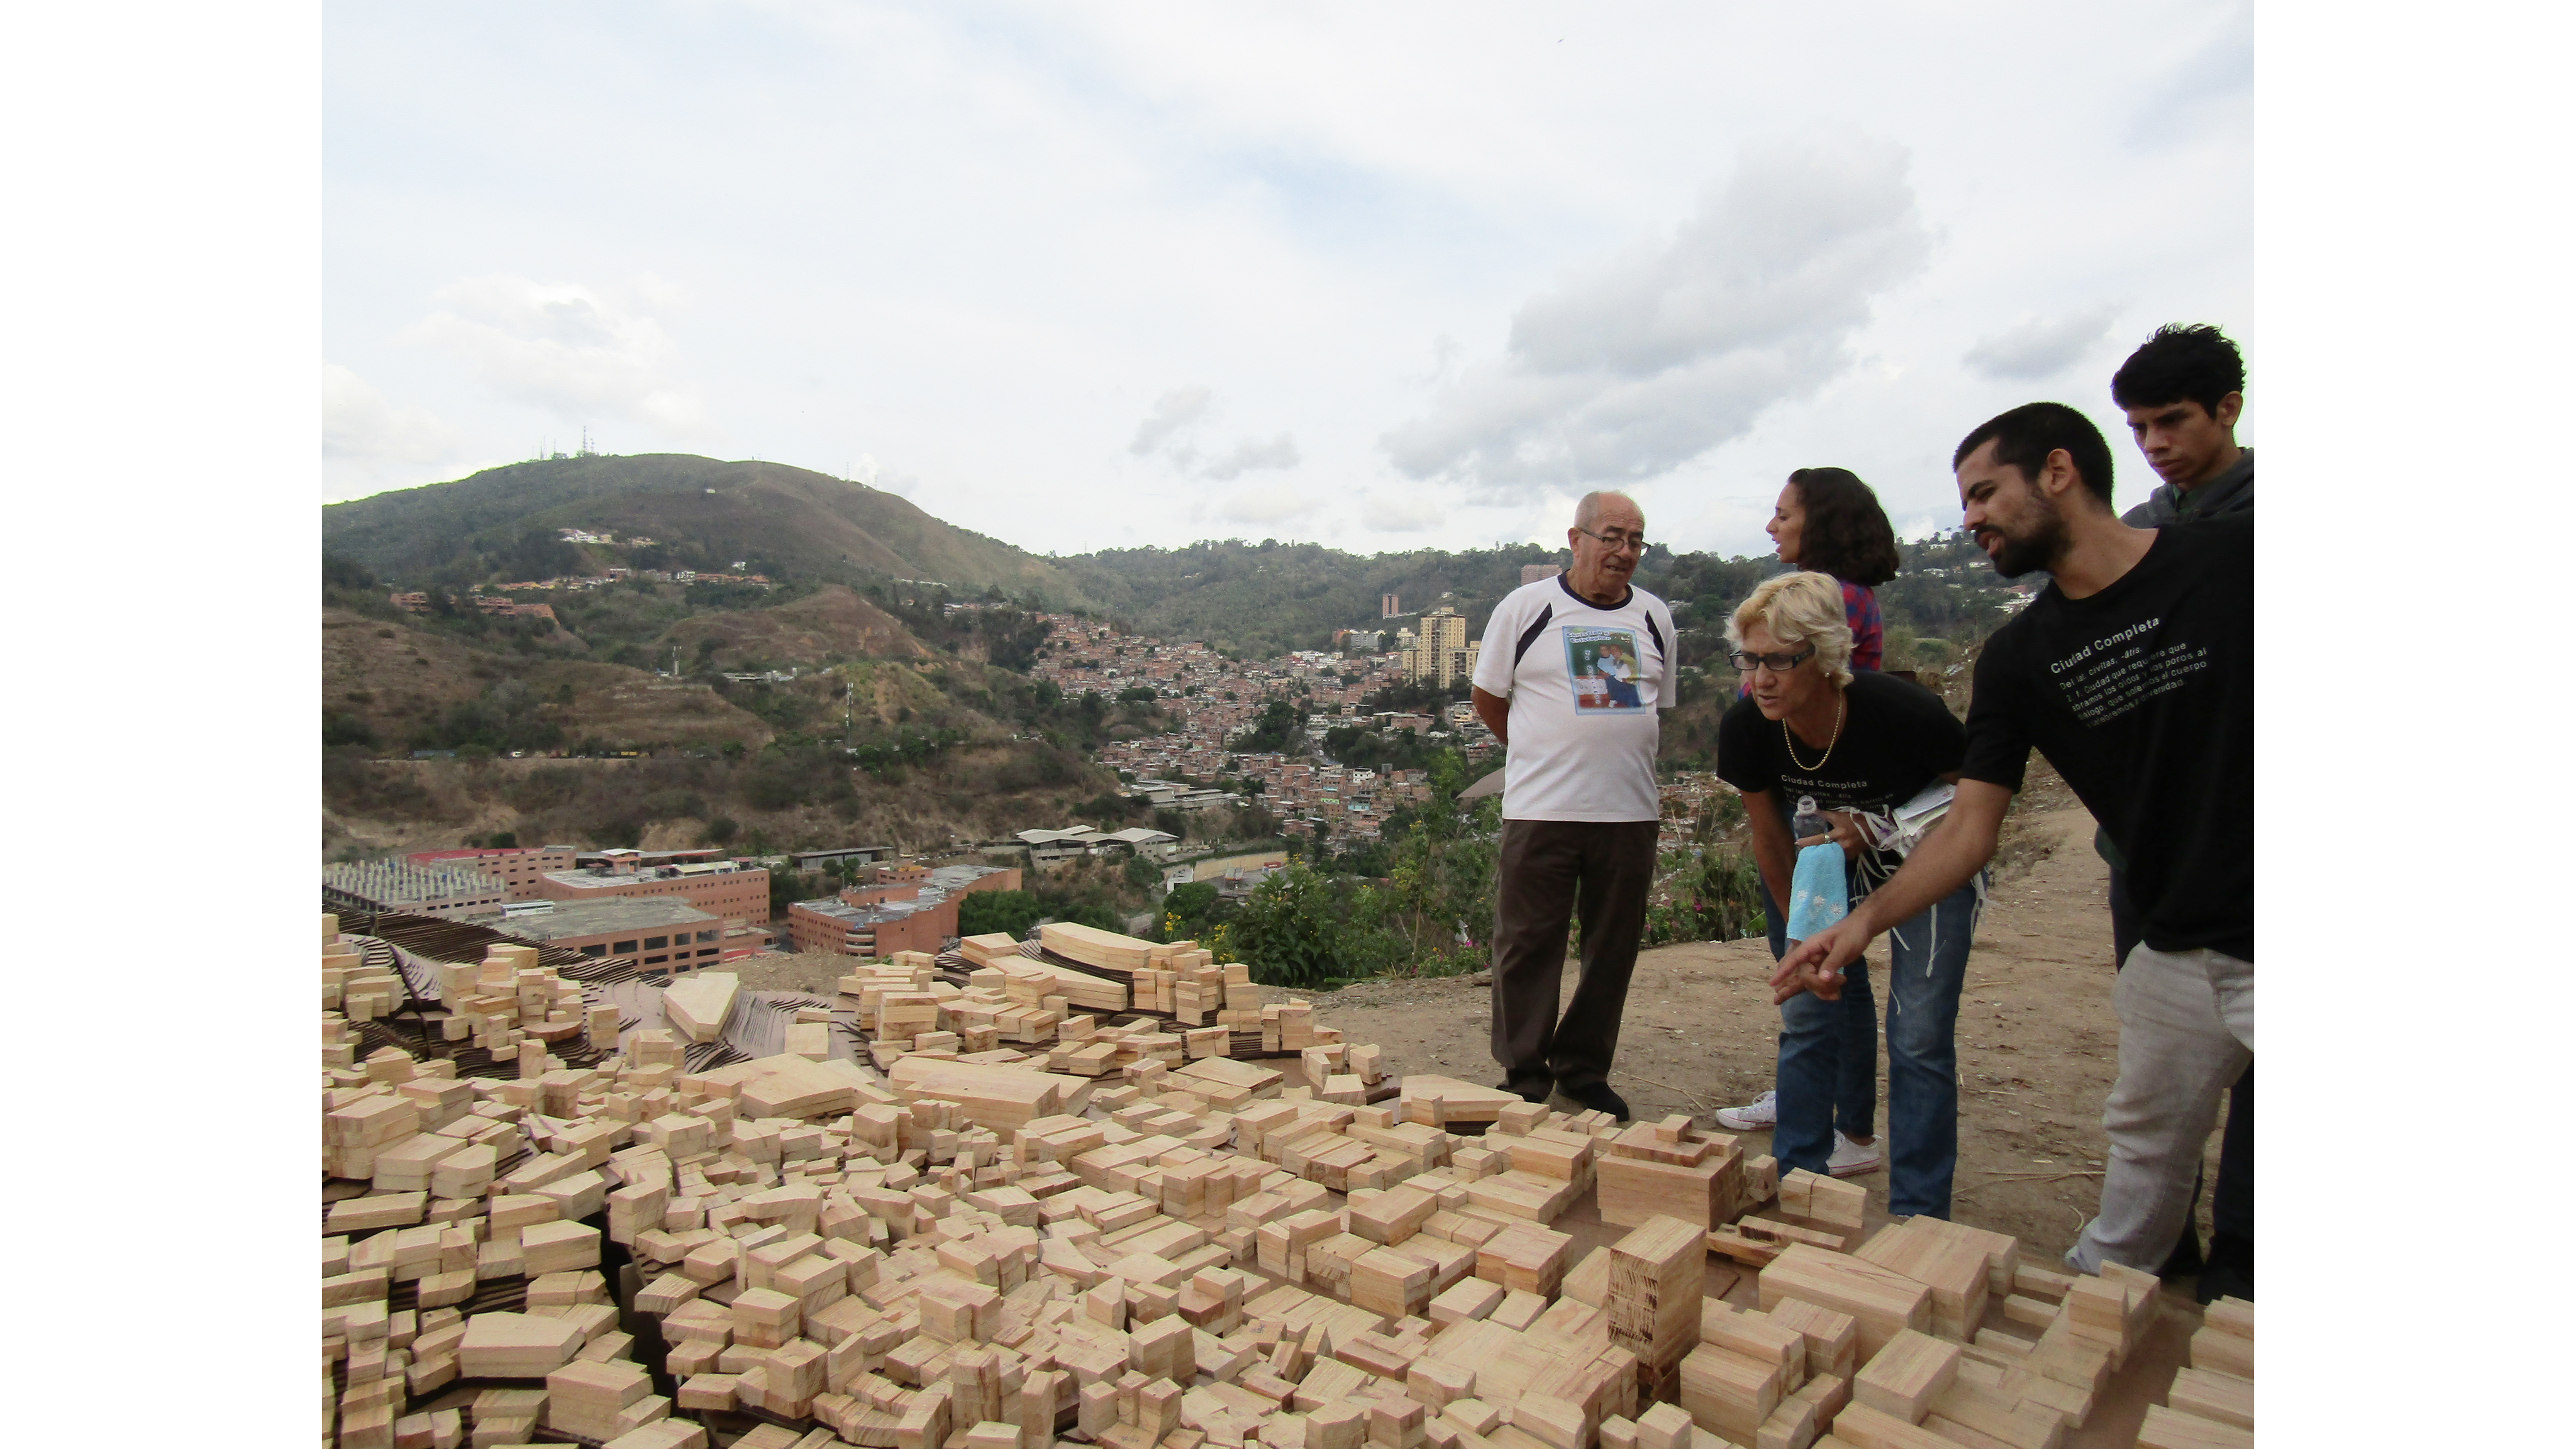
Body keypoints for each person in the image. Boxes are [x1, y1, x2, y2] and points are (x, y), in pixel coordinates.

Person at [1775, 401, 2251, 1279]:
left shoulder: (2235, 560)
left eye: (1986, 492)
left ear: (2059, 474)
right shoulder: (2018, 659)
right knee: (2143, 1145)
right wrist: (1862, 923)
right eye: (1966, 501)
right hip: (2176, 940)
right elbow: (1968, 831)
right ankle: (2111, 1308)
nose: (1971, 519)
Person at [1715, 571, 1980, 1216]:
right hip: (1826, 867)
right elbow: (1770, 837)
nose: (1762, 678)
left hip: (1928, 863)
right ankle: (1798, 1174)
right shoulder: (1749, 726)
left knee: (1917, 1031)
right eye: (1750, 661)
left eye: (1780, 660)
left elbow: (1975, 806)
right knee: (1807, 1013)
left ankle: (1919, 1212)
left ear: (1827, 655)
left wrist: (1880, 824)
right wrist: (1799, 938)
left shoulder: (1902, 713)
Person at [2107, 321, 2255, 1300]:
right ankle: (2170, 1247)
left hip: (2243, 829)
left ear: (2229, 411)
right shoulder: (2149, 523)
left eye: (2171, 422)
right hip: (2147, 838)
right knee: (2165, 1064)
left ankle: (2246, 1254)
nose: (2155, 443)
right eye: (2139, 426)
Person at [1470, 490, 1679, 1121]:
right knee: (1528, 943)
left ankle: (1583, 1071)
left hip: (1628, 812)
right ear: (1576, 538)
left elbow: (1656, 706)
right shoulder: (1526, 608)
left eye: (1635, 541)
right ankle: (1525, 1071)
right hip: (1542, 809)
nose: (1623, 552)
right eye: (1611, 536)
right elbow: (1488, 698)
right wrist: (1536, 752)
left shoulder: (1654, 618)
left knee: (1610, 950)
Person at [1717, 467, 1904, 1149]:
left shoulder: (1829, 600)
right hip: (1824, 803)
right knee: (1833, 970)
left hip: (1825, 813)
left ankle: (1832, 1117)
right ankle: (1834, 1111)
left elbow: (1775, 703)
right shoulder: (1853, 595)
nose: (1772, 527)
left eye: (1784, 515)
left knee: (1817, 967)